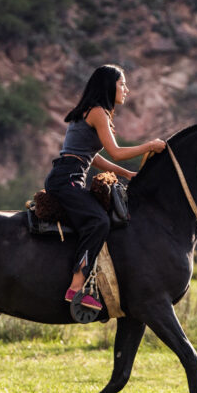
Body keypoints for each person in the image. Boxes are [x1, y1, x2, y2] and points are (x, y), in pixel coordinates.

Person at [44, 65, 166, 310]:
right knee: (98, 221)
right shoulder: (98, 112)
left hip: (69, 175)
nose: (126, 90)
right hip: (67, 177)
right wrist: (149, 145)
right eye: (122, 84)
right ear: (109, 86)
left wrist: (127, 174)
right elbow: (117, 152)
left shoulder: (92, 112)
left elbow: (94, 158)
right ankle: (76, 286)